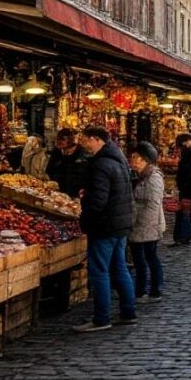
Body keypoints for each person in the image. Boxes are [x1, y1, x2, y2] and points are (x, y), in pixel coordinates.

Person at [73, 127, 136, 332]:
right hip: (120, 224)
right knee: (119, 267)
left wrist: (86, 215)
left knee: (99, 271)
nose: (83, 143)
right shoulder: (119, 160)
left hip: (105, 225)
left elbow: (99, 200)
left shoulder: (101, 164)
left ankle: (102, 318)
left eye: (85, 139)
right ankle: (128, 311)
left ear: (96, 139)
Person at [129, 141, 165, 300]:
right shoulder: (141, 176)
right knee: (141, 258)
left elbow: (153, 204)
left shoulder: (153, 177)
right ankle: (143, 289)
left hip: (147, 224)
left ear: (145, 160)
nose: (133, 161)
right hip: (139, 224)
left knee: (148, 256)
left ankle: (152, 289)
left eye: (137, 158)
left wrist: (144, 225)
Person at [172, 133, 191, 246]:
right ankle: (182, 235)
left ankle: (184, 236)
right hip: (186, 187)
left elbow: (190, 171)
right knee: (184, 212)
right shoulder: (190, 153)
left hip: (189, 187)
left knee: (186, 212)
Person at [46, 129, 89, 198]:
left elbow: (86, 173)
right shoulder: (56, 152)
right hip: (58, 192)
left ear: (70, 140)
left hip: (76, 193)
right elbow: (49, 169)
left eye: (63, 139)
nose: (60, 142)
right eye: (58, 139)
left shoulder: (81, 152)